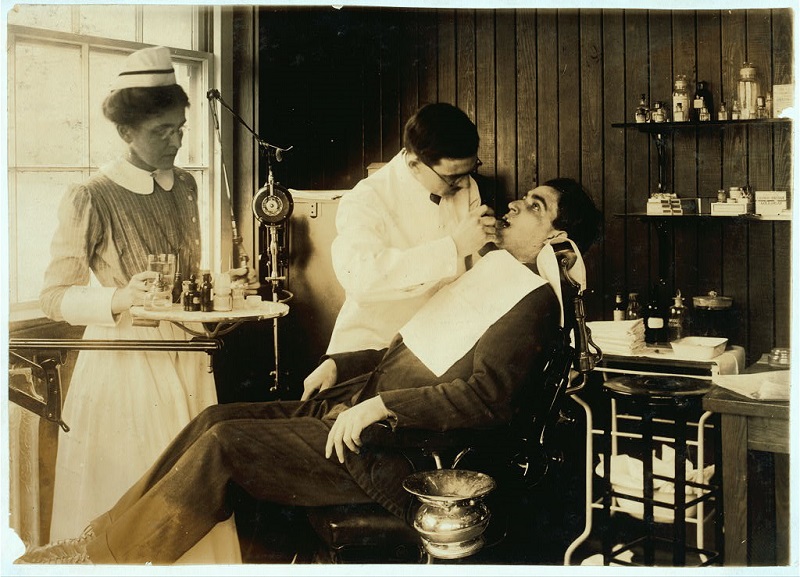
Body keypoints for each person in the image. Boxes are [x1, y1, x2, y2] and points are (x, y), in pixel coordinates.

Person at [18, 178, 602, 565]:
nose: (515, 205)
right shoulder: (492, 273)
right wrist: (338, 363)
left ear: (556, 236)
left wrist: (383, 406)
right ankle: (95, 540)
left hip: (396, 450)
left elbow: (485, 399)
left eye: (535, 206)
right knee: (213, 418)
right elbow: (414, 349)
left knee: (225, 445)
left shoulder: (532, 303)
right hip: (357, 409)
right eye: (524, 197)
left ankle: (102, 563)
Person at [37, 46, 241, 563]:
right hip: (125, 361)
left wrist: (221, 285)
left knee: (193, 490)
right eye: (161, 131)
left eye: (180, 128)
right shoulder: (90, 195)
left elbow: (184, 278)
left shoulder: (185, 185)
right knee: (136, 487)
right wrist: (121, 297)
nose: (176, 141)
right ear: (126, 132)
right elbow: (54, 296)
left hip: (186, 355)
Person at [303, 102, 498, 400]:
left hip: (433, 347)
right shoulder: (366, 199)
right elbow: (363, 278)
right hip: (371, 348)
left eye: (469, 171)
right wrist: (454, 247)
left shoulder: (465, 184)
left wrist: (486, 244)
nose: (463, 184)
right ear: (414, 164)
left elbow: (471, 265)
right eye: (452, 177)